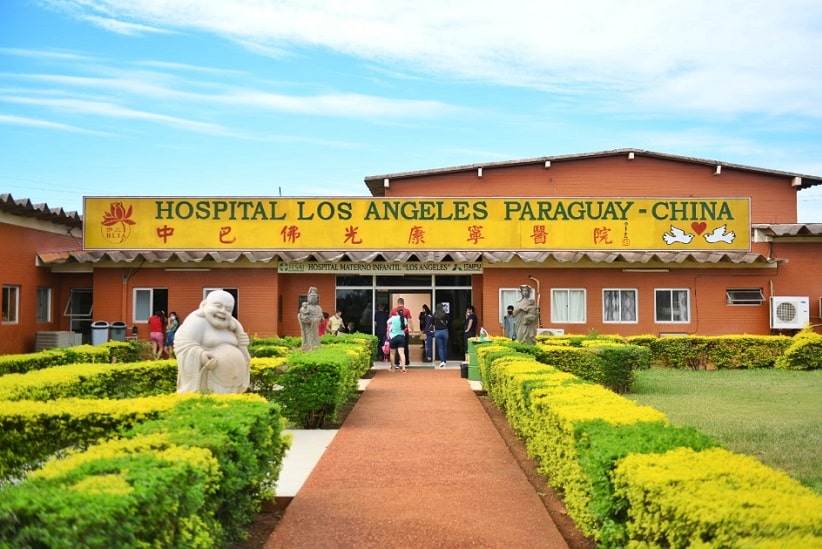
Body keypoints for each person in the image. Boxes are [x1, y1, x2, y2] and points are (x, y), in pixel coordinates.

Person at [175, 290, 251, 394]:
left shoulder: (233, 326)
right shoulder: (197, 321)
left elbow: (244, 354)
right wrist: (201, 355)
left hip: (233, 385)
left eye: (228, 309)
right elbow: (183, 345)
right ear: (204, 305)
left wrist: (242, 343)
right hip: (209, 382)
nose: (223, 311)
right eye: (218, 306)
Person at [390, 298, 415, 367]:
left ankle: (396, 363)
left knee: (395, 347)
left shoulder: (393, 310)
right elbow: (409, 321)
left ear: (397, 303)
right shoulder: (407, 311)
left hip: (394, 332)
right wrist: (412, 331)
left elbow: (390, 322)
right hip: (404, 332)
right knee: (405, 347)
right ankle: (406, 362)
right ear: (403, 303)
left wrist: (389, 332)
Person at [387, 306, 408, 373]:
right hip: (401, 337)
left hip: (393, 337)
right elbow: (405, 326)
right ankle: (403, 368)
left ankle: (393, 368)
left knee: (392, 354)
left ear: (396, 313)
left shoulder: (393, 318)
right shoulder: (404, 319)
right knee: (401, 353)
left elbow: (388, 322)